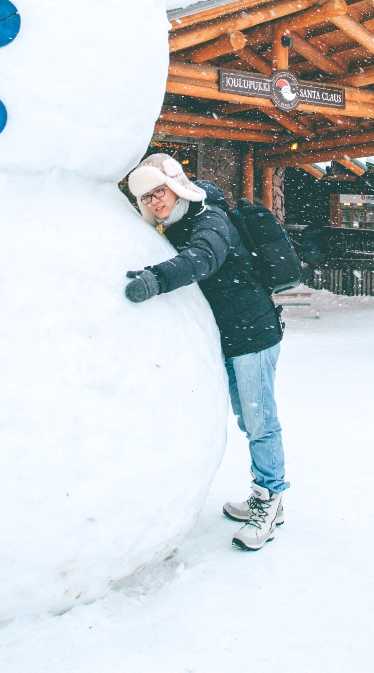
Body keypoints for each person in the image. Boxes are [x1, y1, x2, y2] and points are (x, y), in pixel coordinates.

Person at [123, 153, 287, 551]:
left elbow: (204, 259)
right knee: (249, 418)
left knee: (259, 420)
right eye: (145, 198)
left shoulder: (208, 217)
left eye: (158, 191)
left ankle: (271, 496)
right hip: (231, 336)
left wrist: (157, 279)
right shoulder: (179, 225)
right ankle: (267, 495)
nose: (154, 202)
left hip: (252, 333)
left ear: (176, 185)